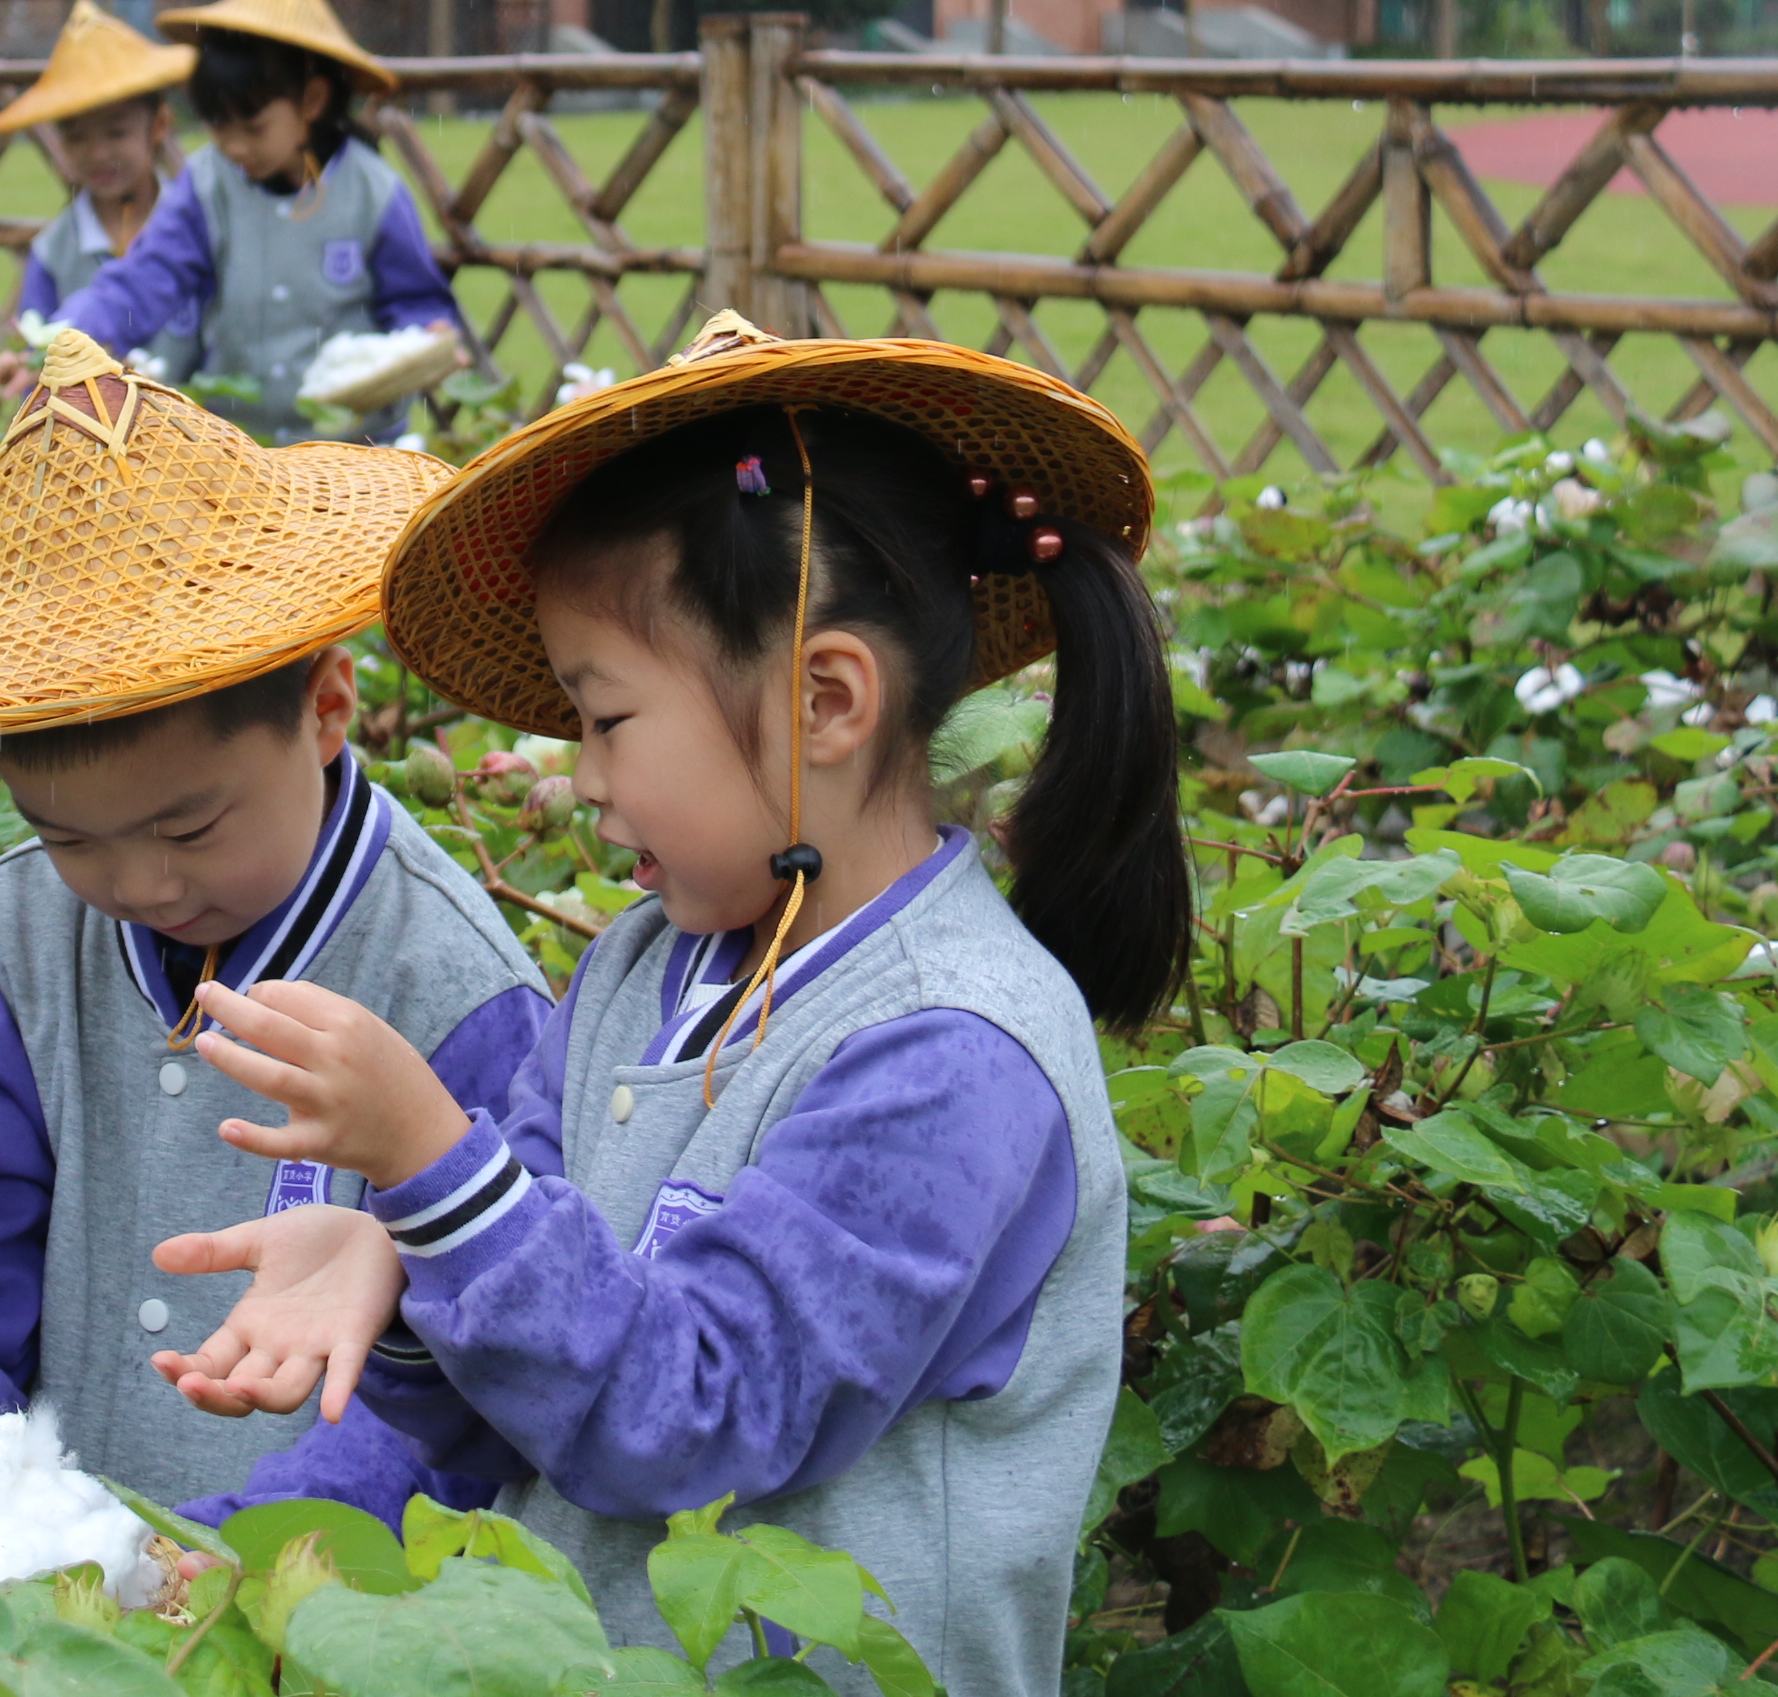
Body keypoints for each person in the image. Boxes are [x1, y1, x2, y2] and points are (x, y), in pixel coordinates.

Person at [145, 309, 1192, 1680]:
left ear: (826, 699)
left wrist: (430, 1167)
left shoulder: (951, 1051)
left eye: (606, 717)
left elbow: (687, 1415)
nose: (580, 777)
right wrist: (397, 1281)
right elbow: (524, 1411)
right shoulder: (643, 970)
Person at [0, 328, 550, 1520]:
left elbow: (468, 1381)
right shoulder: (16, 928)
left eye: (187, 830)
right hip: (67, 1595)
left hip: (313, 1605)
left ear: (326, 708)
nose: (140, 887)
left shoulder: (450, 983)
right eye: (71, 839)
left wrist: (262, 1563)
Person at [0, 0, 461, 441]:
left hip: (354, 452)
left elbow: (415, 299)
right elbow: (144, 279)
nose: (233, 147)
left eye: (253, 127)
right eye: (218, 126)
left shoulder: (373, 191)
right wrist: (55, 349)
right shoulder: (207, 183)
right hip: (238, 452)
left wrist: (432, 334)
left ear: (312, 102)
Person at [0, 0, 199, 382]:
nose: (99, 153)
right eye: (77, 137)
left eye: (116, 132)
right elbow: (37, 372)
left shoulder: (197, 227)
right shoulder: (53, 252)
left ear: (159, 126)